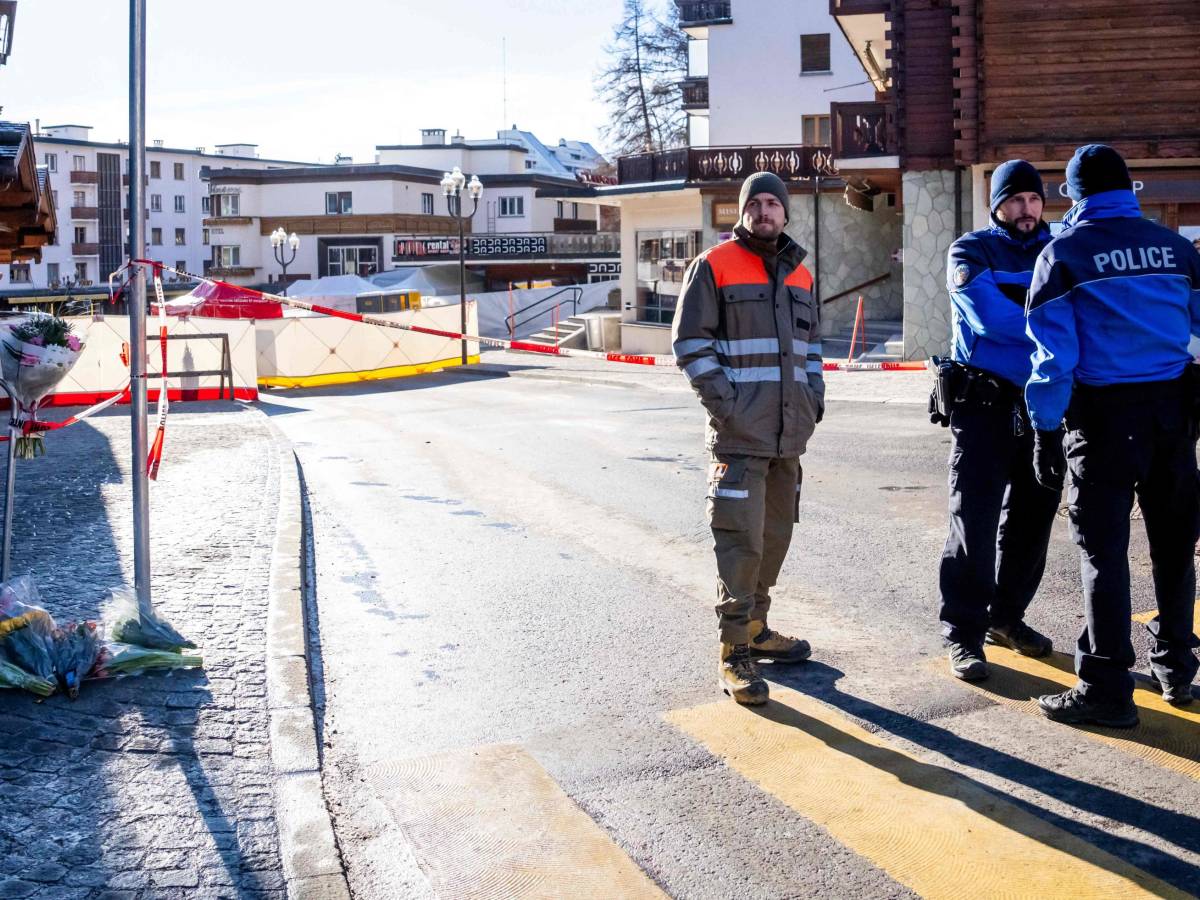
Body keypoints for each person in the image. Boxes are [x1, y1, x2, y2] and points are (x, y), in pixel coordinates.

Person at [1025, 144, 1200, 727]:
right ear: (1130, 190)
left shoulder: (1065, 254)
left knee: (1104, 554)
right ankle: (1177, 670)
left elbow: (1055, 359)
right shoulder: (1177, 249)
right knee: (1174, 548)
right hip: (1174, 415)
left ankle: (1107, 688)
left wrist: (1046, 430)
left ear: (1074, 195)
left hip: (1103, 421)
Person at [672, 171, 823, 706]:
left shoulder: (802, 274)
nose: (764, 211)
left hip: (788, 436)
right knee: (740, 542)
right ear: (742, 212)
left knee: (774, 538)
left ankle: (757, 628)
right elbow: (690, 342)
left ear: (785, 213)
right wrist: (727, 407)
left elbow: (812, 350)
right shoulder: (713, 265)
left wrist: (813, 401)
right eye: (754, 203)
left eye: (772, 203)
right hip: (740, 436)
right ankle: (733, 649)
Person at [937, 160, 1059, 682]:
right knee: (975, 524)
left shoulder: (1061, 250)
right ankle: (964, 635)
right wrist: (1059, 321)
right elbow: (994, 319)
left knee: (1033, 523)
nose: (1027, 209)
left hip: (1044, 409)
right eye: (1016, 200)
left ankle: (1007, 618)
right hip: (984, 408)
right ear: (997, 205)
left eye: (1034, 199)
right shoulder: (971, 250)